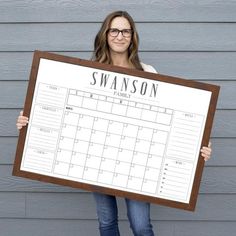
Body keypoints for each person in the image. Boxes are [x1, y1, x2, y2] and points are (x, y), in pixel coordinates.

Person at [16, 11, 212, 236]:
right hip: (96, 158)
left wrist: (200, 144)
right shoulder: (85, 71)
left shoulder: (147, 72)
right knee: (107, 222)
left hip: (138, 163)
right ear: (105, 35)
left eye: (126, 31)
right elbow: (64, 111)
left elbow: (176, 115)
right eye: (115, 30)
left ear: (132, 36)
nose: (120, 36)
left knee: (141, 225)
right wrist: (31, 119)